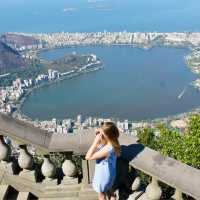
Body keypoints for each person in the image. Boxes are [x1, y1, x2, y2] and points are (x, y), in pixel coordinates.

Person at [85, 122, 121, 200]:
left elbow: (88, 157)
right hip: (110, 173)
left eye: (102, 133)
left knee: (101, 195)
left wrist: (95, 142)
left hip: (102, 176)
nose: (99, 135)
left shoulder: (107, 149)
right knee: (110, 191)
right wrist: (100, 130)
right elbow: (103, 130)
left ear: (107, 136)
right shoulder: (113, 143)